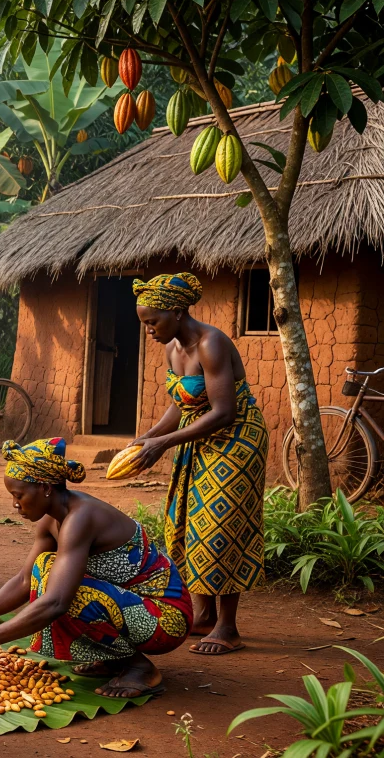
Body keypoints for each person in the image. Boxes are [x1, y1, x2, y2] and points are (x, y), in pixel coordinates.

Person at [0, 438, 192, 699]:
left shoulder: (81, 517)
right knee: (44, 568)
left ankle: (140, 669)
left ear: (46, 488)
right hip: (132, 607)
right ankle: (112, 659)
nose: (15, 504)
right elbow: (24, 581)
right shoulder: (51, 520)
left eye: (19, 495)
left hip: (166, 618)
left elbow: (56, 603)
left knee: (66, 594)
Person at [125, 272, 266, 656]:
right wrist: (148, 436)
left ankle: (227, 625)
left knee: (221, 525)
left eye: (152, 321)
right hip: (196, 437)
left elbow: (223, 412)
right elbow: (181, 403)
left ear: (177, 311)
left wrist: (164, 443)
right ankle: (202, 613)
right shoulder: (173, 347)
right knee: (188, 520)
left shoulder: (212, 343)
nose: (148, 330)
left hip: (234, 441)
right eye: (144, 323)